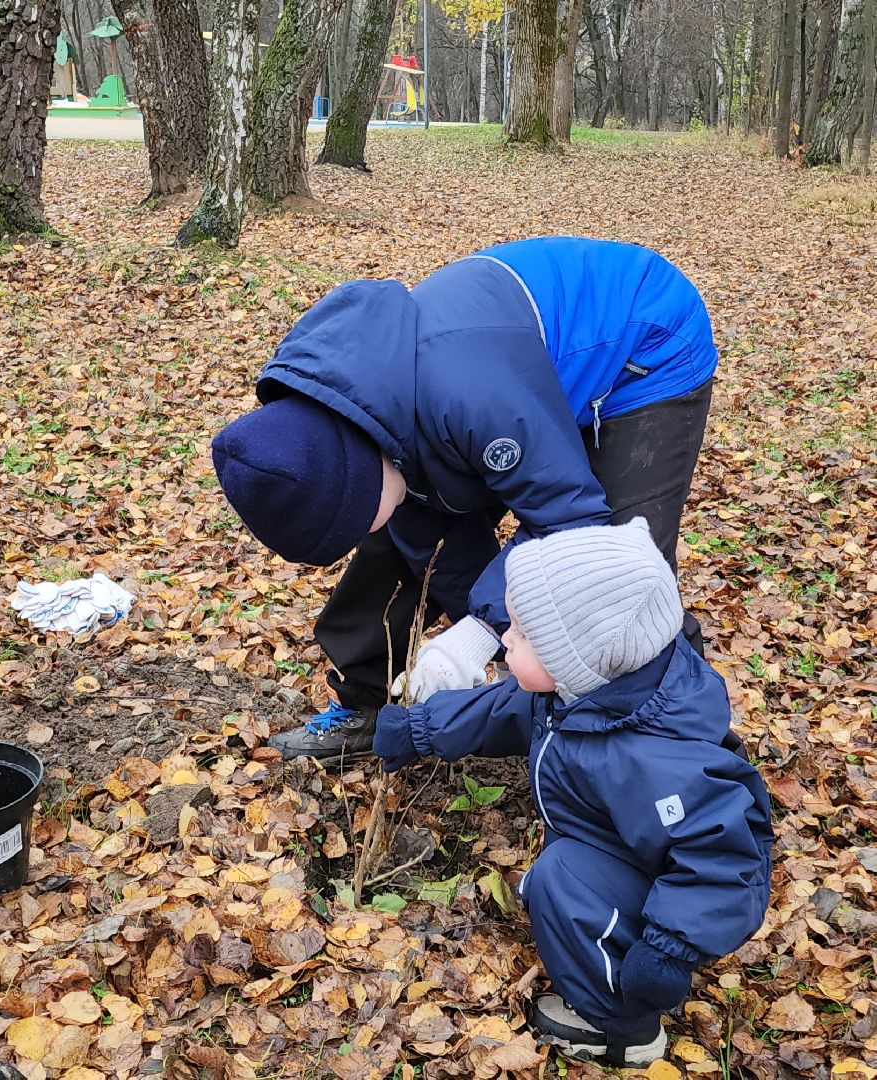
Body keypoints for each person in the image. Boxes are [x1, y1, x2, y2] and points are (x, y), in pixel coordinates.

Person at [210, 237, 718, 762]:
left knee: (614, 573)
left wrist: (480, 630)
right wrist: (482, 632)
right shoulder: (357, 408)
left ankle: (676, 753)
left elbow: (572, 519)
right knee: (403, 541)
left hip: (643, 344)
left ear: (364, 464)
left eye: (356, 517)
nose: (361, 530)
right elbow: (438, 550)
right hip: (506, 385)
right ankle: (368, 703)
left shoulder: (469, 394)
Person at [373, 519, 772, 1067]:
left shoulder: (656, 758)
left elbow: (726, 857)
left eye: (522, 633)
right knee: (563, 874)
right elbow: (500, 709)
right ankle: (600, 921)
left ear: (578, 656)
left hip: (664, 892)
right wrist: (421, 729)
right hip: (623, 853)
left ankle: (619, 1026)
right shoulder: (585, 693)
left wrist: (669, 949)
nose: (505, 638)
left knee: (561, 878)